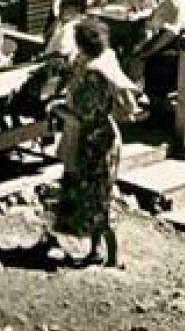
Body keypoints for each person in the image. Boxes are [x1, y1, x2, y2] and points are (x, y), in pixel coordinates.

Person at [50, 19, 139, 268]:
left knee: (95, 197)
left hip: (94, 140)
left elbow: (81, 117)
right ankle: (97, 250)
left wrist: (56, 109)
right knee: (96, 195)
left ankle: (108, 253)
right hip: (104, 135)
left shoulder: (93, 75)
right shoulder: (106, 60)